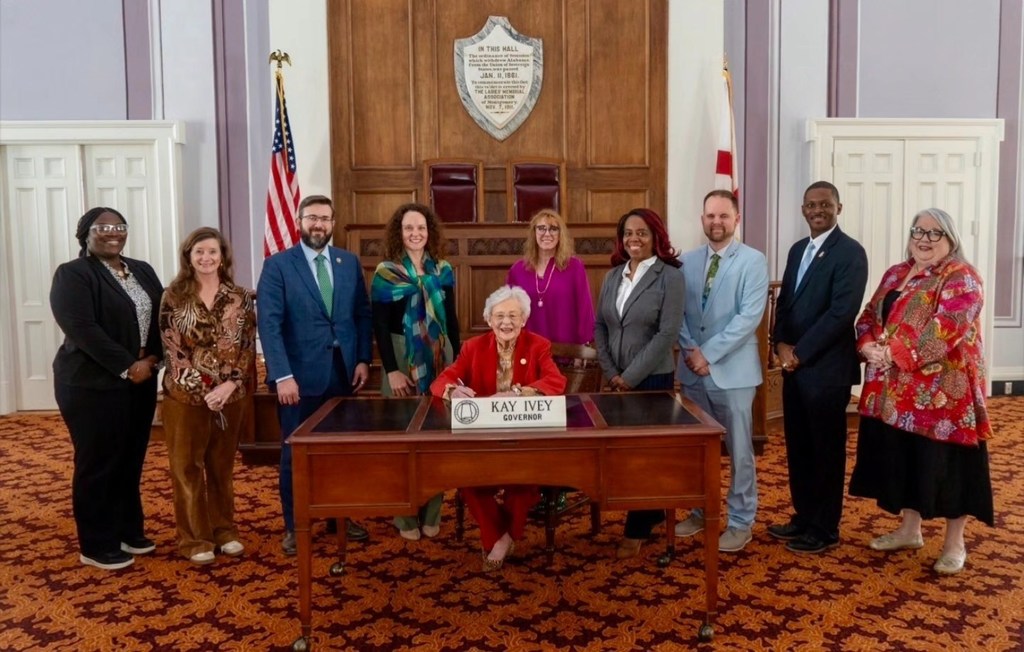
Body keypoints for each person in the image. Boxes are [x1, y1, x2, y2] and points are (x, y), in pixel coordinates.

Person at [849, 208, 993, 575]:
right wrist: (867, 346)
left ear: (951, 239)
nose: (925, 239)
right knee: (907, 461)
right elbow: (869, 316)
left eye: (935, 233)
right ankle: (910, 530)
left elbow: (948, 326)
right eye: (919, 231)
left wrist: (895, 354)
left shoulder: (962, 276)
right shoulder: (896, 272)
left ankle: (954, 544)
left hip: (944, 395)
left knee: (948, 468)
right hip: (895, 395)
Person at [257, 194, 374, 555]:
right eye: (312, 218)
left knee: (340, 453)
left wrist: (362, 360)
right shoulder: (278, 266)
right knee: (296, 455)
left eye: (324, 218)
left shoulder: (347, 262)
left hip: (343, 375)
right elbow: (270, 325)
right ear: (299, 221)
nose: (318, 224)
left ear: (333, 223)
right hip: (298, 380)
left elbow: (361, 314)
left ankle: (339, 516)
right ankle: (296, 525)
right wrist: (282, 375)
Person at [50, 207, 164, 570]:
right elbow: (83, 329)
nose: (112, 233)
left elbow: (164, 316)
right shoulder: (73, 275)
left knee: (130, 458)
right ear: (86, 232)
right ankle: (97, 544)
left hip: (141, 380)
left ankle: (128, 530)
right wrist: (128, 366)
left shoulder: (142, 269)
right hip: (90, 384)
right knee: (99, 462)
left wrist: (154, 360)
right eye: (103, 227)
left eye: (119, 226)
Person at [429, 285, 567, 571]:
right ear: (489, 320)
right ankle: (501, 535)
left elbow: (556, 382)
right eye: (500, 316)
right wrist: (453, 391)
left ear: (524, 319)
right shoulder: (472, 347)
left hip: (525, 438)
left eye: (513, 316)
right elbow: (441, 382)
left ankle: (500, 540)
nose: (507, 323)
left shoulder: (538, 345)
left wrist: (517, 394)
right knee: (470, 483)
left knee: (525, 483)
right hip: (484, 439)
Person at [769, 181, 868, 554]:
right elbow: (787, 303)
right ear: (802, 209)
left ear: (838, 208)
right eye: (811, 204)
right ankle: (804, 517)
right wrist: (779, 343)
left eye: (825, 204)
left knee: (826, 451)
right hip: (794, 367)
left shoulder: (851, 252)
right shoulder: (798, 250)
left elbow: (842, 313)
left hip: (826, 371)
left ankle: (825, 528)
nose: (817, 210)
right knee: (799, 447)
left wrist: (800, 352)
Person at [674, 190, 769, 553]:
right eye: (710, 216)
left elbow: (749, 318)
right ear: (702, 220)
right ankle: (701, 511)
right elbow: (678, 315)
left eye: (724, 216)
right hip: (694, 372)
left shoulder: (753, 261)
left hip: (734, 374)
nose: (717, 222)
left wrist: (708, 355)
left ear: (736, 219)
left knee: (740, 451)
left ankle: (741, 521)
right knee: (700, 450)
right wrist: (691, 352)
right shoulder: (686, 261)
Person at [159, 227, 256, 565]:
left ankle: (224, 531)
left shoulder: (240, 296)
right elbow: (173, 350)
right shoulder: (174, 295)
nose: (206, 258)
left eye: (212, 252)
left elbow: (246, 346)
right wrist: (205, 391)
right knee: (186, 468)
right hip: (185, 398)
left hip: (232, 395)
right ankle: (194, 539)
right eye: (199, 251)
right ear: (189, 256)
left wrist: (228, 386)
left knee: (220, 467)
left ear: (222, 257)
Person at [593, 208, 684, 559]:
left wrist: (629, 377)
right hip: (615, 378)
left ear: (656, 236)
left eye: (642, 232)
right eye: (628, 233)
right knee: (623, 453)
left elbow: (667, 334)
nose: (634, 239)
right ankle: (654, 511)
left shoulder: (670, 277)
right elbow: (600, 326)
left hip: (652, 378)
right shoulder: (614, 275)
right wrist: (611, 371)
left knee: (644, 455)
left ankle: (637, 528)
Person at [371, 203, 460, 540]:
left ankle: (432, 511)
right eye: (409, 228)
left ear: (430, 231)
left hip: (440, 356)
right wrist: (391, 371)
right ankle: (406, 516)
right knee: (402, 438)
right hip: (399, 354)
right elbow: (379, 326)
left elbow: (450, 320)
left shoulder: (444, 270)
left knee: (436, 437)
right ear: (399, 232)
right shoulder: (386, 272)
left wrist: (458, 365)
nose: (415, 234)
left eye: (421, 227)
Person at [506, 208, 595, 345]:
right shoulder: (517, 270)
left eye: (553, 229)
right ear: (534, 233)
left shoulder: (574, 267)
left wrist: (583, 344)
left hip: (568, 349)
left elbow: (584, 307)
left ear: (561, 234)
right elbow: (509, 311)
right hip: (528, 349)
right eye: (541, 228)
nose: (547, 234)